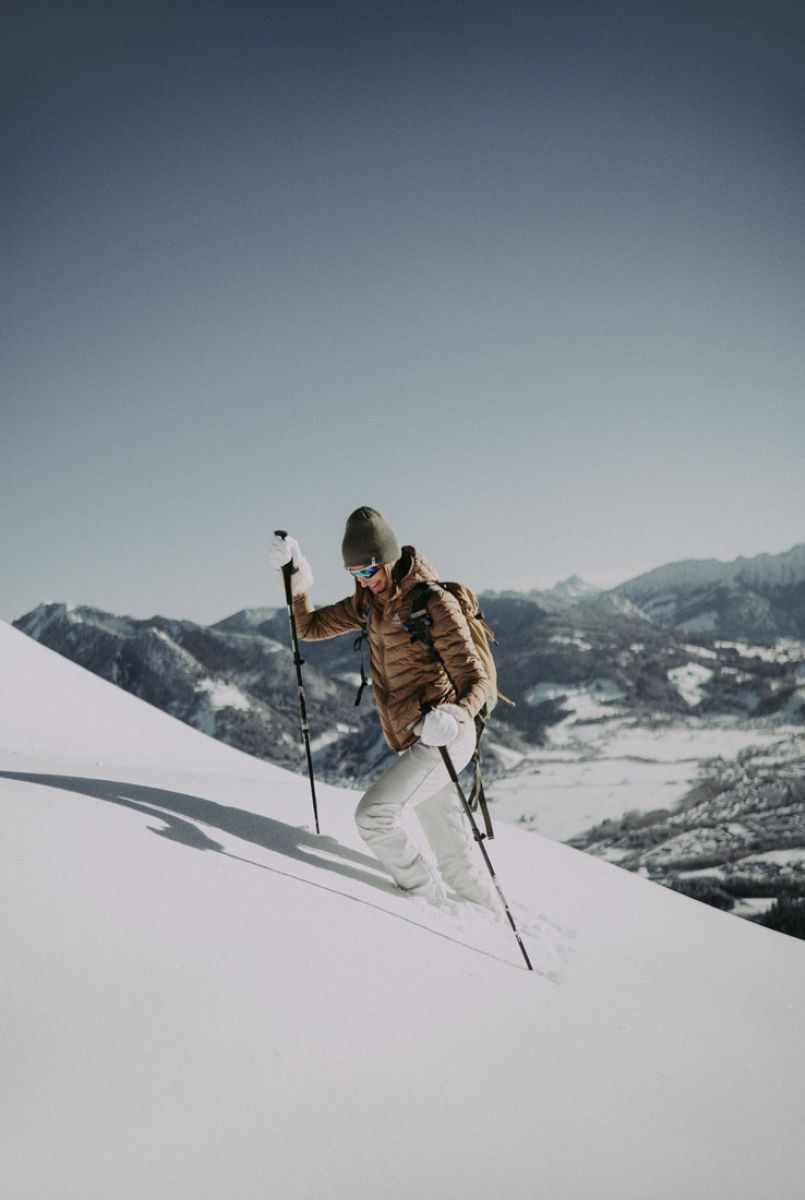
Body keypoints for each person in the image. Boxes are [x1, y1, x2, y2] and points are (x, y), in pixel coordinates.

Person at [268, 506, 497, 908]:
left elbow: (475, 680)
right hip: (417, 739)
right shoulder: (369, 604)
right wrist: (295, 576)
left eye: (368, 571)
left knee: (373, 817)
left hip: (447, 735)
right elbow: (308, 628)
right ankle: (486, 919)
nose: (363, 581)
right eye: (354, 574)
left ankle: (428, 905)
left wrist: (455, 716)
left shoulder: (435, 603)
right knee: (457, 863)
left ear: (388, 561)